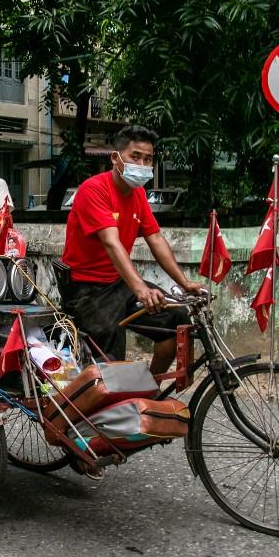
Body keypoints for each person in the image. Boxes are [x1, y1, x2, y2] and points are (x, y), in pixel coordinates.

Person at [60, 125, 203, 374]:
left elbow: (155, 238)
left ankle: (152, 390)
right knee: (112, 362)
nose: (142, 163)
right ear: (115, 158)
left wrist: (184, 281)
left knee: (176, 318)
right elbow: (111, 243)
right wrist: (141, 290)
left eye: (148, 159)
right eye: (135, 156)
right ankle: (107, 408)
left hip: (118, 284)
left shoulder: (137, 194)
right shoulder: (94, 190)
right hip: (87, 290)